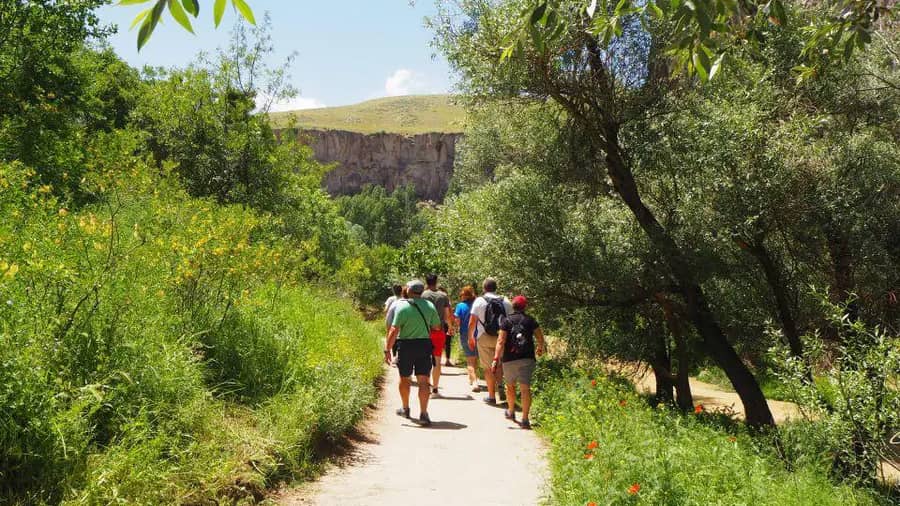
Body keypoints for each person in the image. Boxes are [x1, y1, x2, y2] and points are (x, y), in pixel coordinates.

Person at [385, 280, 442, 426]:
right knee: (423, 380)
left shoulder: (402, 306)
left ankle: (405, 408)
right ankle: (424, 414)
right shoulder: (430, 306)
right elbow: (436, 326)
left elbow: (394, 330)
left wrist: (387, 349)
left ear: (409, 290)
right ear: (421, 291)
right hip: (424, 345)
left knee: (405, 378)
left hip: (406, 345)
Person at [492, 295, 545, 429]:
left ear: (513, 307)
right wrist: (540, 348)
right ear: (525, 306)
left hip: (509, 359)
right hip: (527, 358)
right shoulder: (530, 320)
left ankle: (511, 412)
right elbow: (540, 337)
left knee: (510, 386)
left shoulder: (506, 321)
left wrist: (496, 358)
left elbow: (500, 341)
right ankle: (525, 419)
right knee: (525, 388)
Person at [468, 277, 512, 405]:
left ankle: (491, 396)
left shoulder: (479, 301)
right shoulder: (506, 301)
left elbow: (472, 322)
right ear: (496, 287)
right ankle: (500, 385)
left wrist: (470, 337)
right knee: (498, 363)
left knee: (488, 368)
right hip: (501, 336)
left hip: (484, 336)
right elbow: (511, 320)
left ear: (484, 288)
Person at [422, 274, 451, 396]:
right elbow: (447, 314)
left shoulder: (423, 295)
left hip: (424, 331)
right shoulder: (443, 296)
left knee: (425, 359)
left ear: (426, 282)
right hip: (439, 331)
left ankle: (426, 386)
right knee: (437, 360)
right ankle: (435, 389)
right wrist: (450, 327)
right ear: (436, 282)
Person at [453, 285, 479, 391]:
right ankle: (471, 377)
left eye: (461, 295)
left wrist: (455, 327)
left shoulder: (460, 306)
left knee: (470, 360)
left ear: (465, 295)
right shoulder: (477, 304)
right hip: (479, 334)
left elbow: (457, 321)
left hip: (466, 333)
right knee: (475, 357)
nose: (460, 297)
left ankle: (475, 382)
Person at [385, 286, 409, 365]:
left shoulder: (391, 299)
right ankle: (398, 356)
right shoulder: (413, 302)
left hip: (393, 321)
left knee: (394, 337)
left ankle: (395, 355)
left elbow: (387, 309)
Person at [437, 285, 454, 366]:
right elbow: (450, 313)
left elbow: (450, 313)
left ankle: (443, 360)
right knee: (446, 342)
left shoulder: (436, 299)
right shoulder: (447, 300)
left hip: (441, 323)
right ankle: (446, 360)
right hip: (445, 323)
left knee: (445, 342)